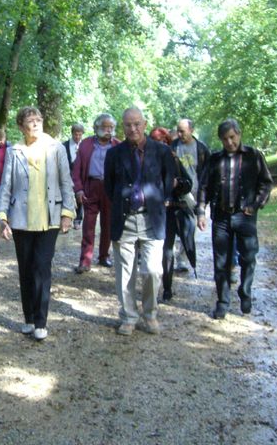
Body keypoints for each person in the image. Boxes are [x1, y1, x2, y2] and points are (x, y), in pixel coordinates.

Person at [0, 106, 76, 341]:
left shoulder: (56, 148)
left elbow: (66, 182)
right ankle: (29, 318)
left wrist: (67, 213)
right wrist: (2, 216)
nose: (35, 124)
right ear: (21, 126)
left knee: (42, 267)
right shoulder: (14, 151)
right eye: (30, 121)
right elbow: (6, 185)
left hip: (49, 220)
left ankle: (41, 321)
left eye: (38, 119)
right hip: (21, 220)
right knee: (25, 269)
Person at [104, 107, 176, 336]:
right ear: (122, 127)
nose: (133, 128)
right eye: (128, 125)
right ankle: (128, 317)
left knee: (152, 270)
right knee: (125, 273)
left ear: (145, 124)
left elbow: (168, 182)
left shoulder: (162, 151)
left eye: (137, 124)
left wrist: (157, 201)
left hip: (151, 218)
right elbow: (109, 187)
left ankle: (150, 314)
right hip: (124, 218)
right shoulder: (114, 154)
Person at [197, 118, 273, 319]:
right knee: (221, 261)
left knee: (249, 257)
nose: (229, 142)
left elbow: (266, 183)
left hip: (245, 215)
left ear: (239, 134)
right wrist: (201, 211)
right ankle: (222, 302)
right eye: (225, 139)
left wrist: (255, 205)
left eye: (232, 137)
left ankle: (245, 291)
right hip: (221, 217)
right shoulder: (215, 159)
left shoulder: (253, 156)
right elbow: (204, 186)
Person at [72, 113, 120, 274]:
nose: (109, 130)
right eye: (105, 127)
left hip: (110, 189)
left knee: (108, 224)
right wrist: (78, 189)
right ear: (96, 127)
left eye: (111, 127)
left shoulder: (118, 145)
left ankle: (104, 256)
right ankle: (85, 261)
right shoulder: (85, 144)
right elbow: (76, 169)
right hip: (91, 186)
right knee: (88, 225)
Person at [150, 127, 193, 301]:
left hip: (170, 212)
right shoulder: (143, 159)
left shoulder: (174, 159)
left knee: (167, 249)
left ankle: (167, 288)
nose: (160, 145)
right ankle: (151, 287)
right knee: (151, 251)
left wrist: (177, 183)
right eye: (156, 142)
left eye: (163, 142)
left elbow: (188, 183)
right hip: (150, 212)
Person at [172, 118, 211, 274]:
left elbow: (207, 173)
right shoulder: (173, 147)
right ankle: (173, 258)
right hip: (177, 194)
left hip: (195, 195)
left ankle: (182, 258)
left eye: (182, 131)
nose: (179, 134)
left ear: (191, 130)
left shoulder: (201, 149)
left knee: (189, 228)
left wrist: (204, 197)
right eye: (178, 131)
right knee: (175, 226)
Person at [63, 123, 85, 229]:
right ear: (72, 133)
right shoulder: (64, 146)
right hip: (67, 175)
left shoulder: (84, 145)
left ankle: (78, 220)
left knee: (79, 197)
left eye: (80, 135)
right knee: (67, 197)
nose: (77, 137)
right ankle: (66, 220)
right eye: (76, 134)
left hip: (80, 176)